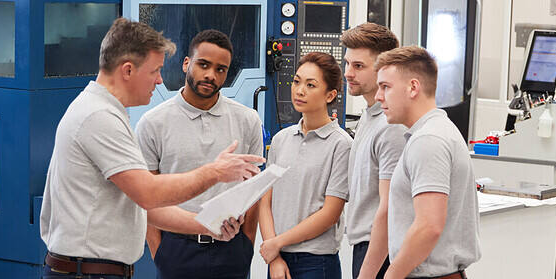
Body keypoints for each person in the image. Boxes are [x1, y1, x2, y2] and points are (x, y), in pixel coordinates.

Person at [39, 18, 263, 279]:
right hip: (88, 271)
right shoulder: (98, 117)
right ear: (127, 70)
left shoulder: (107, 112)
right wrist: (214, 172)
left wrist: (207, 226)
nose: (159, 81)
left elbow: (144, 205)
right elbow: (148, 194)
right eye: (154, 71)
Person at [135, 29, 263, 279]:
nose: (210, 75)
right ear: (186, 63)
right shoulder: (153, 123)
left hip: (232, 249)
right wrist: (158, 250)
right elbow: (146, 197)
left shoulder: (248, 121)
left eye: (220, 69)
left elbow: (254, 191)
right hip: (176, 250)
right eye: (203, 64)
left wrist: (247, 244)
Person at [371, 46, 480, 279]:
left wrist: (391, 276)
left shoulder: (428, 140)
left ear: (413, 88)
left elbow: (429, 226)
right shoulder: (434, 132)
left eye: (385, 87)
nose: (378, 96)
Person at [257, 52, 351, 279]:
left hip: (316, 264)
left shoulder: (342, 144)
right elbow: (265, 202)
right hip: (277, 258)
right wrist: (274, 256)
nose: (299, 90)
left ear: (330, 95)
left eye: (311, 85)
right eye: (297, 81)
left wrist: (277, 243)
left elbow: (329, 214)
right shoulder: (281, 139)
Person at [339, 23, 405, 279]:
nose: (347, 73)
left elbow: (390, 209)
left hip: (381, 252)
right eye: (347, 63)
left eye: (358, 66)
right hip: (364, 246)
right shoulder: (370, 116)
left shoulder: (392, 126)